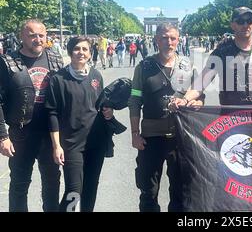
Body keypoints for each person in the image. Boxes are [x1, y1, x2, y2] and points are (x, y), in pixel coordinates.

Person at [128, 23, 202, 212]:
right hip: (151, 138)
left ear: (178, 40)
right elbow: (135, 100)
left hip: (181, 137)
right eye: (163, 37)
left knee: (180, 191)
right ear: (156, 39)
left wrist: (196, 103)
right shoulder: (144, 67)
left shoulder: (188, 66)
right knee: (148, 191)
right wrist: (135, 133)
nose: (168, 42)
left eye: (173, 38)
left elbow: (200, 95)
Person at [0, 19, 63, 212]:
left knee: (52, 183)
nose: (38, 39)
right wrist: (3, 136)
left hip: (50, 132)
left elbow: (66, 94)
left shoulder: (55, 58)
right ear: (22, 37)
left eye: (41, 35)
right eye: (32, 35)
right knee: (19, 185)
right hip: (21, 133)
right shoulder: (7, 62)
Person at [45, 37, 114, 212]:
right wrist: (56, 146)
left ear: (90, 53)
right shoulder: (58, 79)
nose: (81, 52)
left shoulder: (95, 76)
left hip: (95, 142)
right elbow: (52, 113)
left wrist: (108, 111)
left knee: (90, 188)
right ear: (69, 52)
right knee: (74, 190)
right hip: (71, 144)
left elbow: (99, 105)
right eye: (77, 49)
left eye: (85, 49)